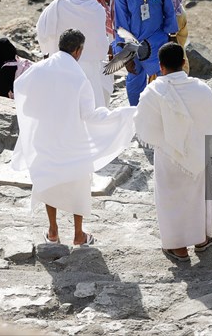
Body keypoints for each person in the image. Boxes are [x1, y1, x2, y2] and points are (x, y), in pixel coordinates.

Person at [10, 29, 136, 246]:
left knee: (49, 181)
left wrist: (35, 113)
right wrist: (122, 114)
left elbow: (20, 86)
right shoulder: (78, 77)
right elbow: (89, 115)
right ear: (78, 51)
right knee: (78, 183)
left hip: (45, 136)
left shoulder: (39, 69)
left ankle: (53, 232)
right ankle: (79, 234)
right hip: (72, 138)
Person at [135, 43, 212, 263]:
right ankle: (201, 239)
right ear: (184, 63)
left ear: (161, 67)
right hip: (197, 153)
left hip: (168, 155)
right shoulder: (202, 88)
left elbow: (143, 128)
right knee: (196, 197)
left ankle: (178, 247)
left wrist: (167, 140)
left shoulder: (152, 91)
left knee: (172, 200)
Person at [37, 0, 112, 107]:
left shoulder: (59, 2)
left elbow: (42, 27)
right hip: (88, 67)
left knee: (65, 103)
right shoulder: (96, 9)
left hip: (63, 62)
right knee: (90, 104)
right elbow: (101, 44)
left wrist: (49, 50)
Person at [113, 0, 177, 105]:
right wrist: (125, 57)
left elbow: (167, 5)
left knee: (165, 78)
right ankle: (136, 115)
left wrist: (172, 33)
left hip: (159, 37)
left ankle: (167, 111)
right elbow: (121, 24)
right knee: (135, 82)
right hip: (136, 44)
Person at [166, 0, 190, 74]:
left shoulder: (174, 14)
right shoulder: (180, 9)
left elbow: (172, 37)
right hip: (181, 45)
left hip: (172, 53)